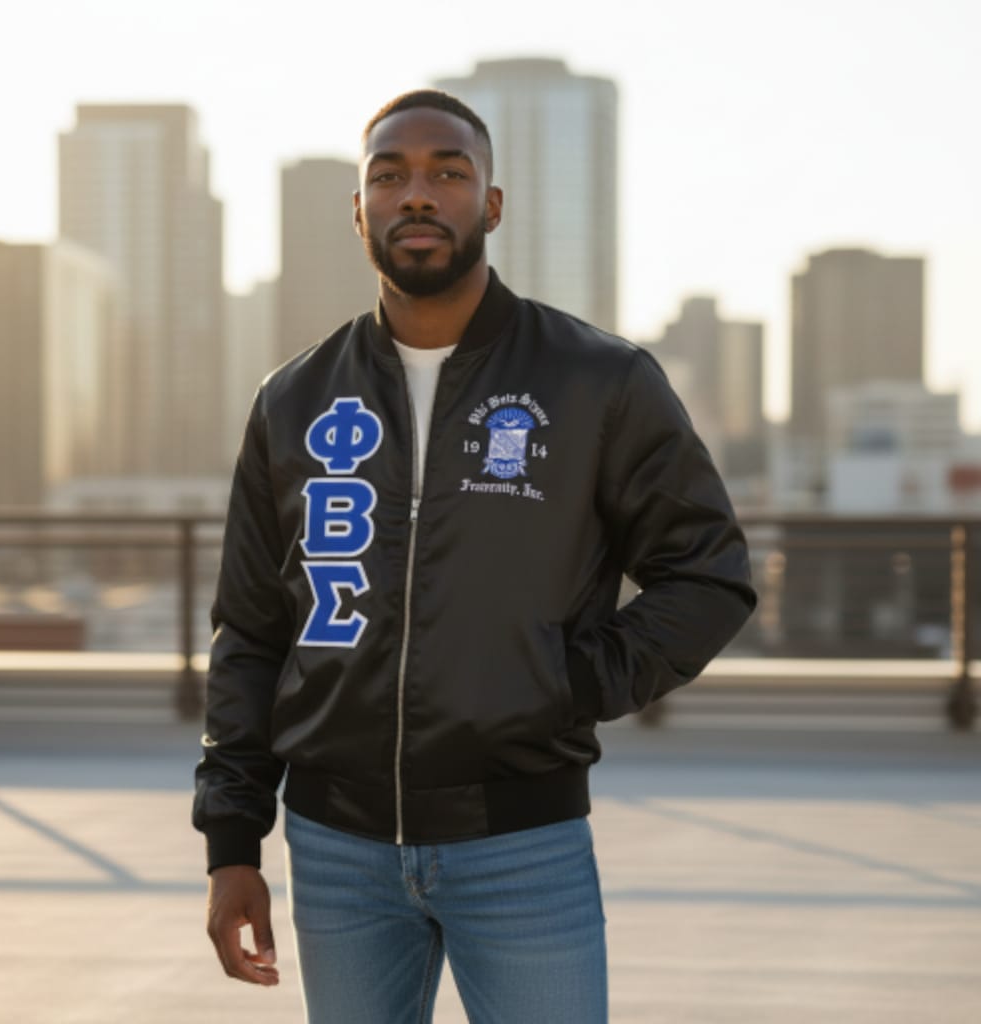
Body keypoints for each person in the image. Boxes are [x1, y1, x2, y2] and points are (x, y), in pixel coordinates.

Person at [194, 89, 756, 1023]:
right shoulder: (292, 400)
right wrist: (231, 843)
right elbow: (251, 630)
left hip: (523, 844)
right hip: (334, 853)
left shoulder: (596, 380)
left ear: (490, 205)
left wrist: (566, 683)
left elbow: (708, 573)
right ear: (360, 210)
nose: (419, 194)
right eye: (391, 175)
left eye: (448, 173)